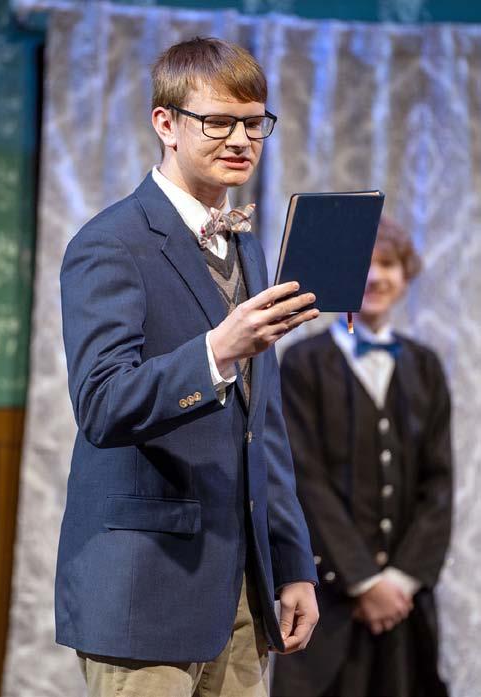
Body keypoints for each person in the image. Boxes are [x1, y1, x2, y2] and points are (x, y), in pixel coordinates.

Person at [57, 37, 320, 697]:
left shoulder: (247, 247)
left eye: (254, 123)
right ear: (166, 123)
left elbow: (264, 425)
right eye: (218, 121)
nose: (241, 140)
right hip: (145, 588)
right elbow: (102, 405)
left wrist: (292, 561)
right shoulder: (109, 242)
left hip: (241, 591)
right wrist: (216, 351)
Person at [272, 216, 453, 697]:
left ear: (405, 275)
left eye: (388, 264)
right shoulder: (302, 362)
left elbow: (438, 485)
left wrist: (400, 581)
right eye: (363, 265)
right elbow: (304, 479)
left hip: (404, 608)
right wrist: (363, 582)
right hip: (330, 605)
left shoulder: (425, 366)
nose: (374, 277)